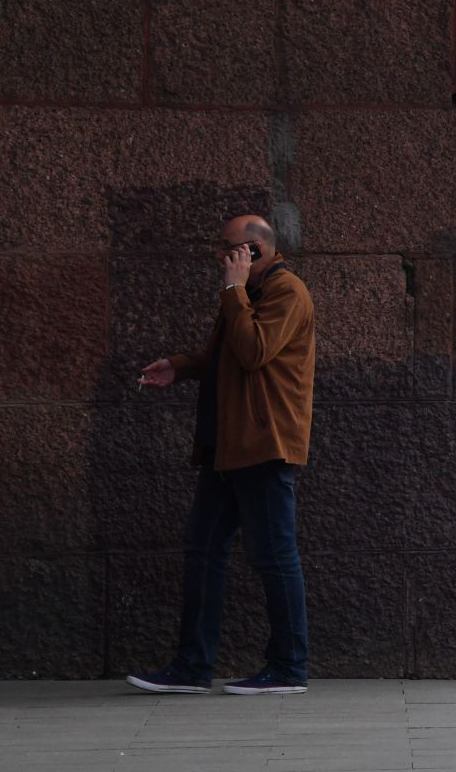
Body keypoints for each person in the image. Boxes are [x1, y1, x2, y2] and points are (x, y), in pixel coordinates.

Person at [128, 215, 316, 697]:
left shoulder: (286, 291)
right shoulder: (245, 295)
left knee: (275, 555)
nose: (220, 257)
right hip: (227, 447)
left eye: (227, 249)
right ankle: (193, 667)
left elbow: (255, 351)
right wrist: (182, 367)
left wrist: (233, 291)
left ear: (253, 250)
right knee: (203, 548)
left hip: (263, 444)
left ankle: (289, 669)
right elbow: (225, 357)